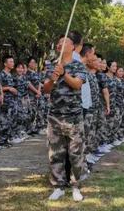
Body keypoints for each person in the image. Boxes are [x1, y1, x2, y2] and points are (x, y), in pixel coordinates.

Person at [43, 33, 88, 202]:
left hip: (74, 116)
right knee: (55, 153)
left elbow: (77, 85)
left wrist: (64, 75)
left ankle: (76, 186)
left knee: (76, 153)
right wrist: (52, 79)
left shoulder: (78, 66)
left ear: (72, 47)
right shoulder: (50, 66)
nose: (60, 44)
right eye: (58, 42)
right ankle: (58, 186)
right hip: (54, 116)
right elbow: (46, 90)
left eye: (64, 42)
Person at [80, 43, 102, 166]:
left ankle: (87, 155)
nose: (95, 59)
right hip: (85, 109)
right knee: (84, 134)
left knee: (90, 132)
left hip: (91, 108)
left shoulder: (91, 75)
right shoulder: (84, 72)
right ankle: (83, 158)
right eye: (93, 55)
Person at [0, 55, 22, 144]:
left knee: (12, 119)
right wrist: (8, 88)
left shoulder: (10, 75)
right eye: (10, 62)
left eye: (13, 61)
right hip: (5, 101)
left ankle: (10, 137)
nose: (12, 63)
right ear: (5, 63)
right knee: (4, 120)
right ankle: (2, 139)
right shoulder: (1, 74)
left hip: (12, 101)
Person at [27, 57, 43, 134]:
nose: (33, 64)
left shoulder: (36, 73)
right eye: (31, 62)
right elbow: (28, 84)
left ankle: (37, 128)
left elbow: (39, 82)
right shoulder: (27, 73)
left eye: (34, 62)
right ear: (28, 63)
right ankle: (30, 129)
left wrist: (39, 91)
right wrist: (36, 91)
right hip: (31, 95)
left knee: (39, 111)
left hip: (38, 95)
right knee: (31, 112)